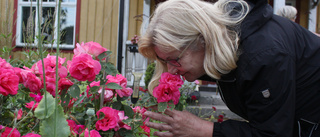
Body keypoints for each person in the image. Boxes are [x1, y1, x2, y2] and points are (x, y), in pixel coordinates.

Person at [138, 0, 320, 136]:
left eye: (174, 59)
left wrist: (201, 128)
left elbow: (273, 132)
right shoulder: (224, 43)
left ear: (202, 39)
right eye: (164, 61)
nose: (170, 70)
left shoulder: (263, 55)